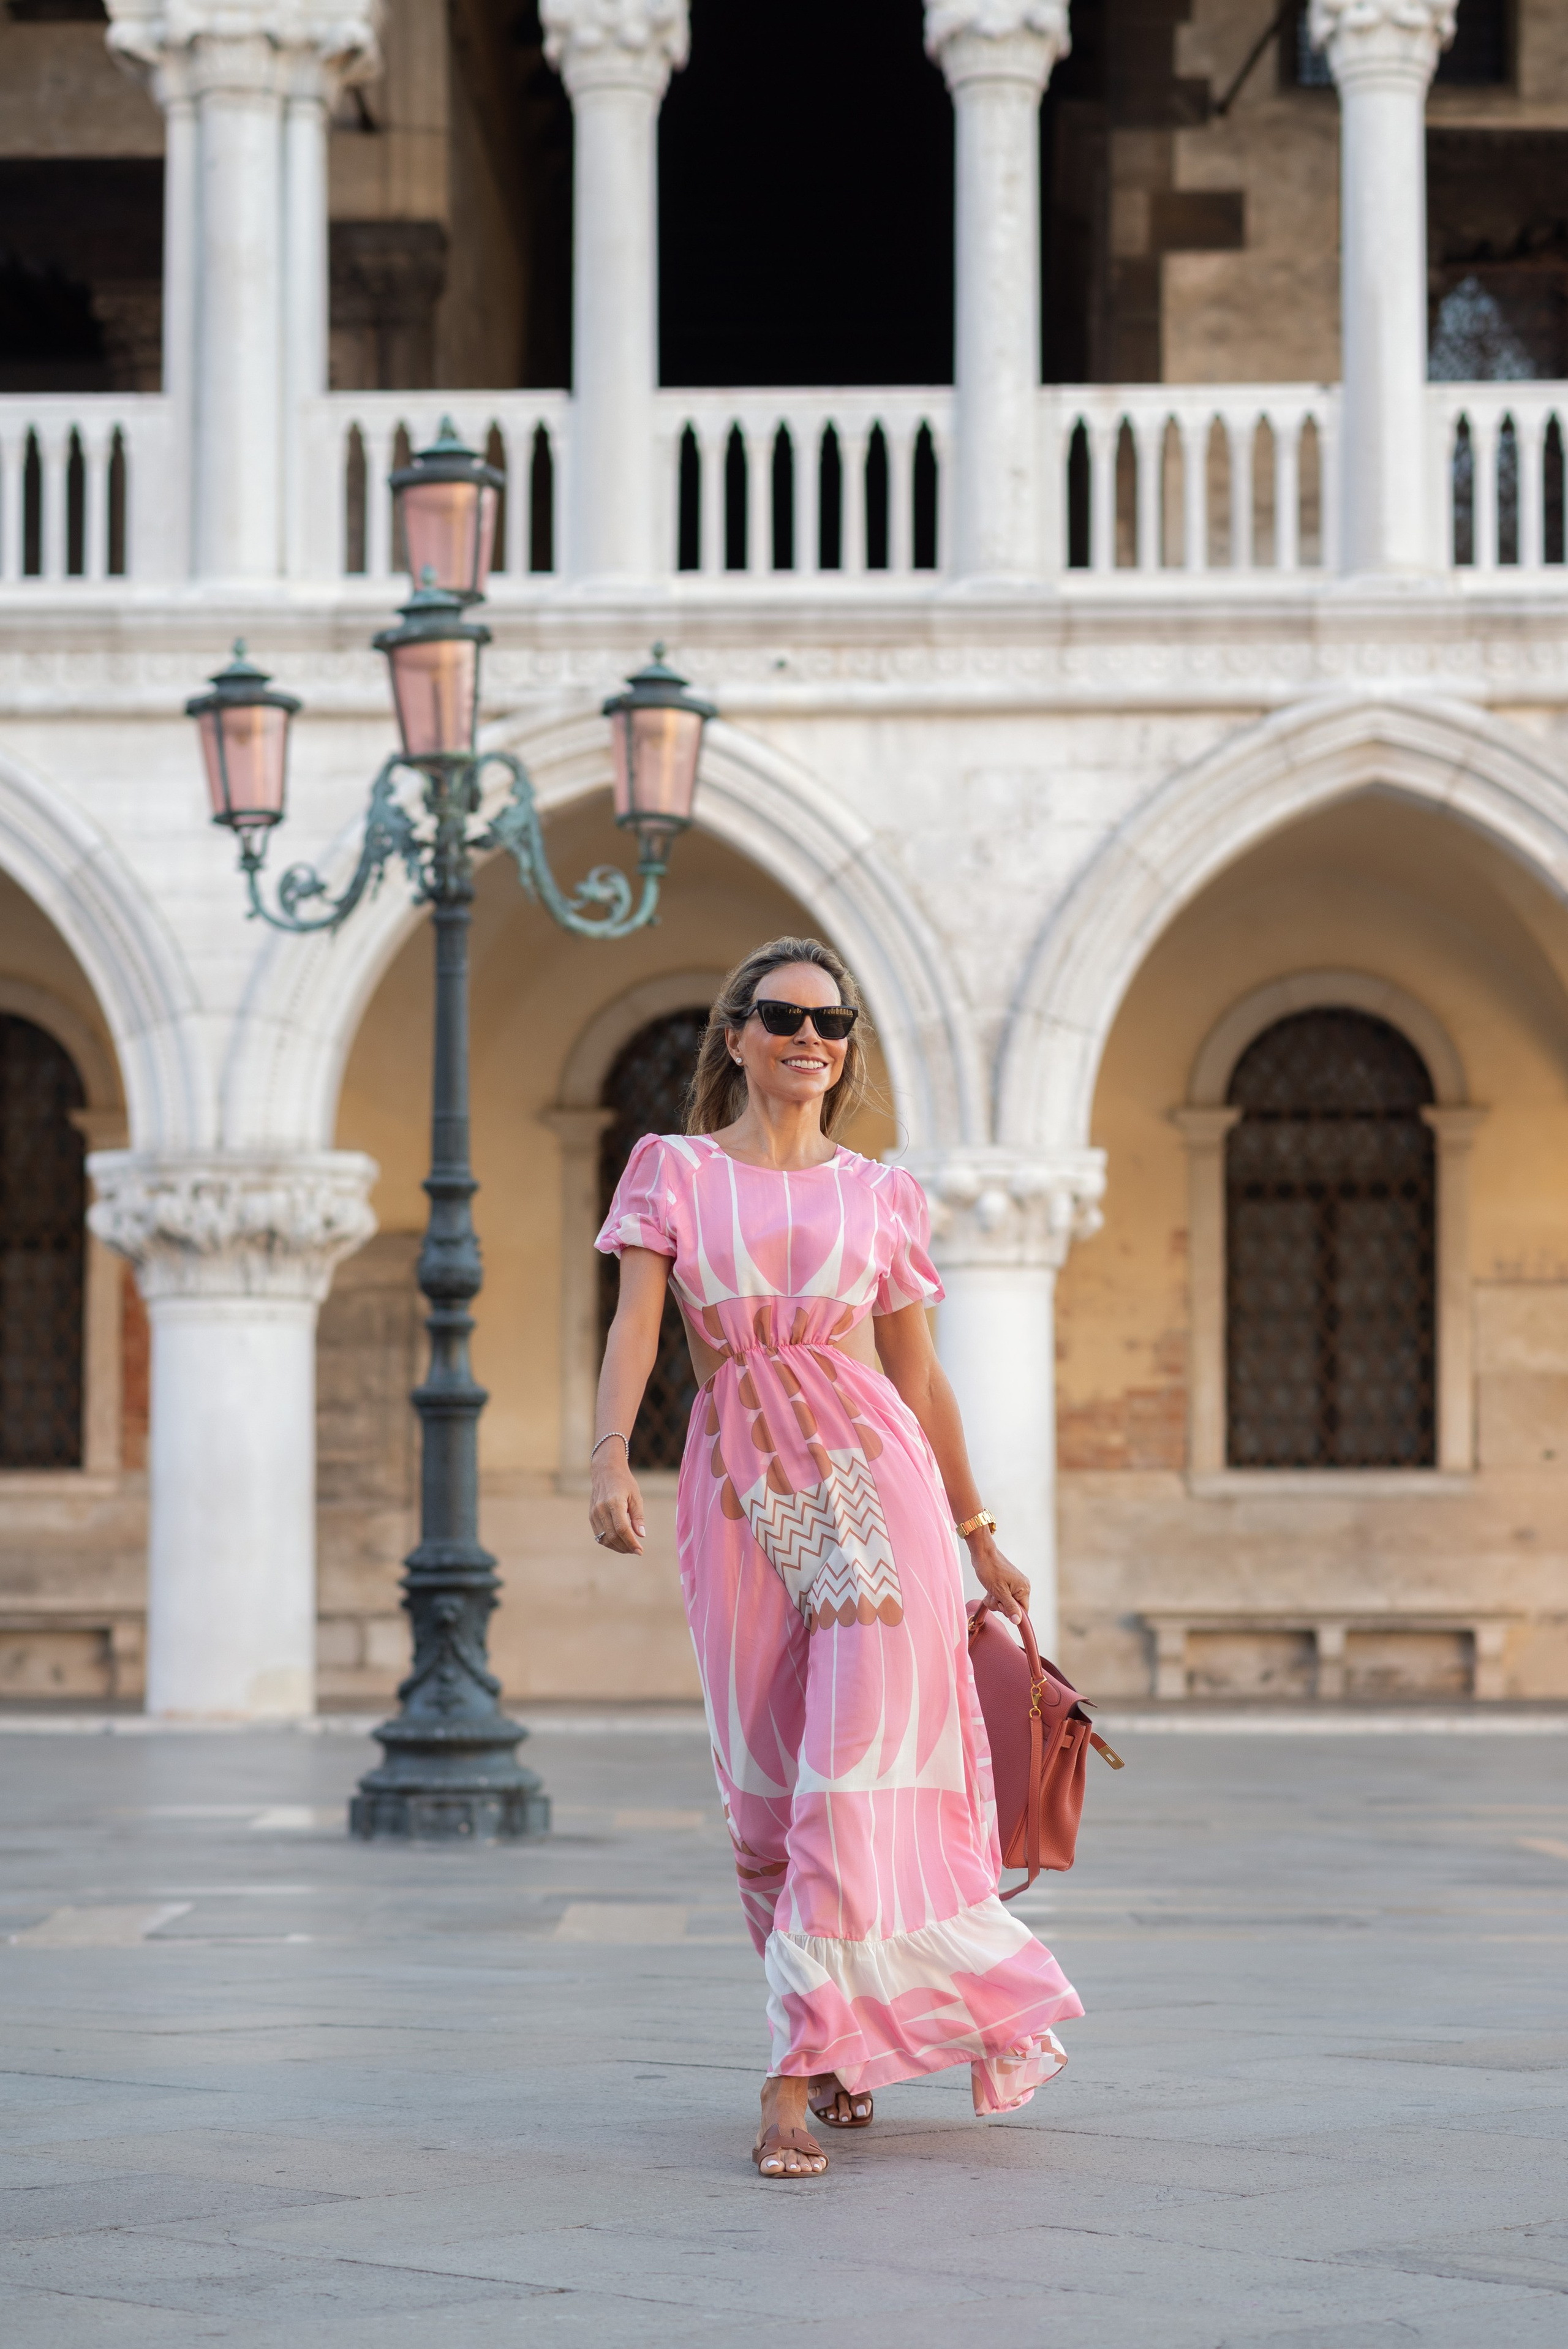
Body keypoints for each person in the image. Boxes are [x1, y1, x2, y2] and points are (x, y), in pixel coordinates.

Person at [590, 936, 1082, 2179]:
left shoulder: (879, 1192)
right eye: (783, 1016)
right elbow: (635, 1330)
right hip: (742, 1488)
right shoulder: (674, 1173)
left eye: (831, 1021)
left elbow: (915, 1375)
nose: (809, 1038)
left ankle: (787, 2080)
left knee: (849, 1763)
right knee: (766, 1791)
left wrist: (979, 1536)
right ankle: (839, 2040)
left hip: (871, 1492)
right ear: (737, 1036)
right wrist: (607, 1458)